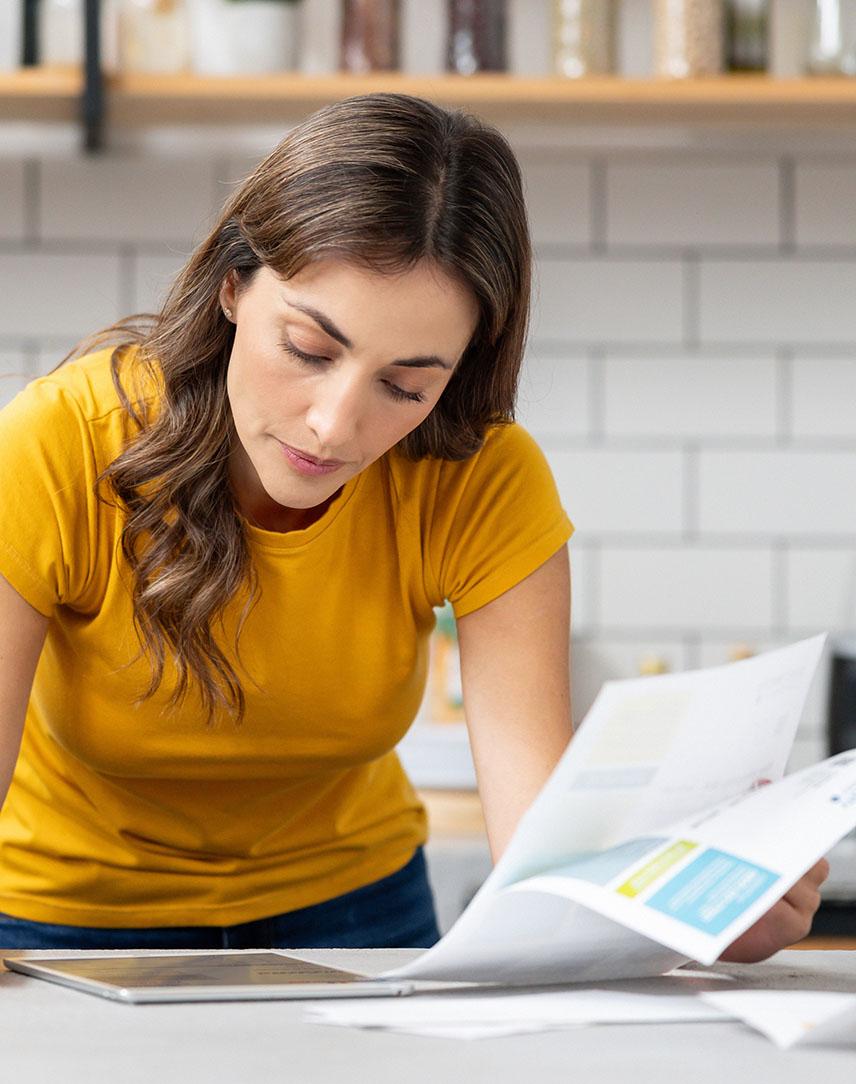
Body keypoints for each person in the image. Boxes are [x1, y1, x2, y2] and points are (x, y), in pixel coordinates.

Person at [0, 93, 826, 955]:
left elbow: (538, 854)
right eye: (310, 351)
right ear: (233, 286)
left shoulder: (478, 480)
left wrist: (690, 912)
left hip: (354, 911)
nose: (333, 425)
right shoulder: (58, 446)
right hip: (62, 909)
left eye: (405, 385)